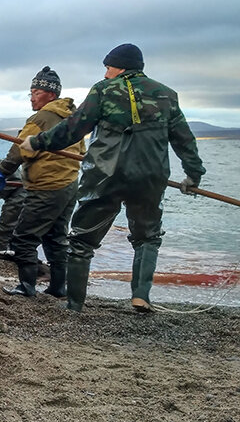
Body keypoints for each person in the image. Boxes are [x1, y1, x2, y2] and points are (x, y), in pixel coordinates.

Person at [21, 44, 206, 312]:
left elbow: (74, 129)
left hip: (104, 176)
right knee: (147, 237)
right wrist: (194, 174)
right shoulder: (167, 94)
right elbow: (184, 139)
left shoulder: (103, 90)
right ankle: (141, 295)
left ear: (120, 67)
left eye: (108, 67)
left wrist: (37, 142)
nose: (106, 73)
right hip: (150, 176)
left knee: (82, 240)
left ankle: (74, 304)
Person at [0, 67, 84, 299]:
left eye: (37, 91)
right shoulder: (73, 118)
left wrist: (1, 173)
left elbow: (20, 150)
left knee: (23, 237)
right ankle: (58, 287)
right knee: (56, 237)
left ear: (51, 95)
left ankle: (27, 287)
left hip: (47, 187)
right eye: (31, 91)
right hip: (70, 185)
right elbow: (81, 150)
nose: (31, 96)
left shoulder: (41, 118)